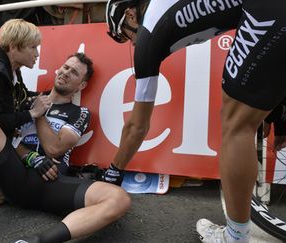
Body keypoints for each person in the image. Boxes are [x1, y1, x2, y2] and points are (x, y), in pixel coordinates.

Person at [0, 18, 130, 242]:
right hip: (14, 171)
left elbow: (55, 149)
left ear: (81, 85)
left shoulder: (79, 112)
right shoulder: (26, 97)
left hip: (49, 182)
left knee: (118, 199)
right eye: (65, 67)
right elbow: (2, 131)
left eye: (74, 73)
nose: (65, 73)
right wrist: (31, 155)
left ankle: (37, 241)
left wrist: (40, 112)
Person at [104, 0, 286, 242]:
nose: (132, 43)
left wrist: (114, 172)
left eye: (125, 35)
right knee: (247, 114)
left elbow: (137, 126)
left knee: (237, 125)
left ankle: (235, 237)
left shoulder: (147, 37)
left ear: (130, 16)